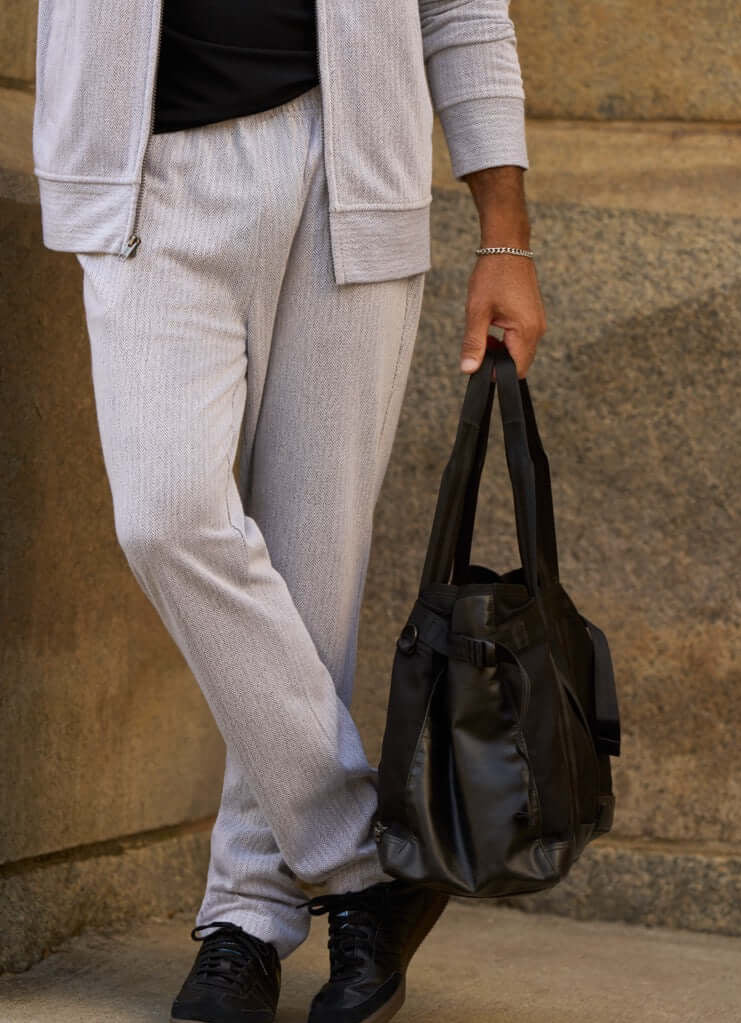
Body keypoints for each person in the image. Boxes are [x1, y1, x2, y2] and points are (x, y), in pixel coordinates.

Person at [31, 1, 546, 1020]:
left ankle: (246, 922)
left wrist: (507, 235)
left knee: (312, 590)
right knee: (167, 516)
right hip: (145, 174)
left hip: (348, 174)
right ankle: (365, 863)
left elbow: (460, 7)